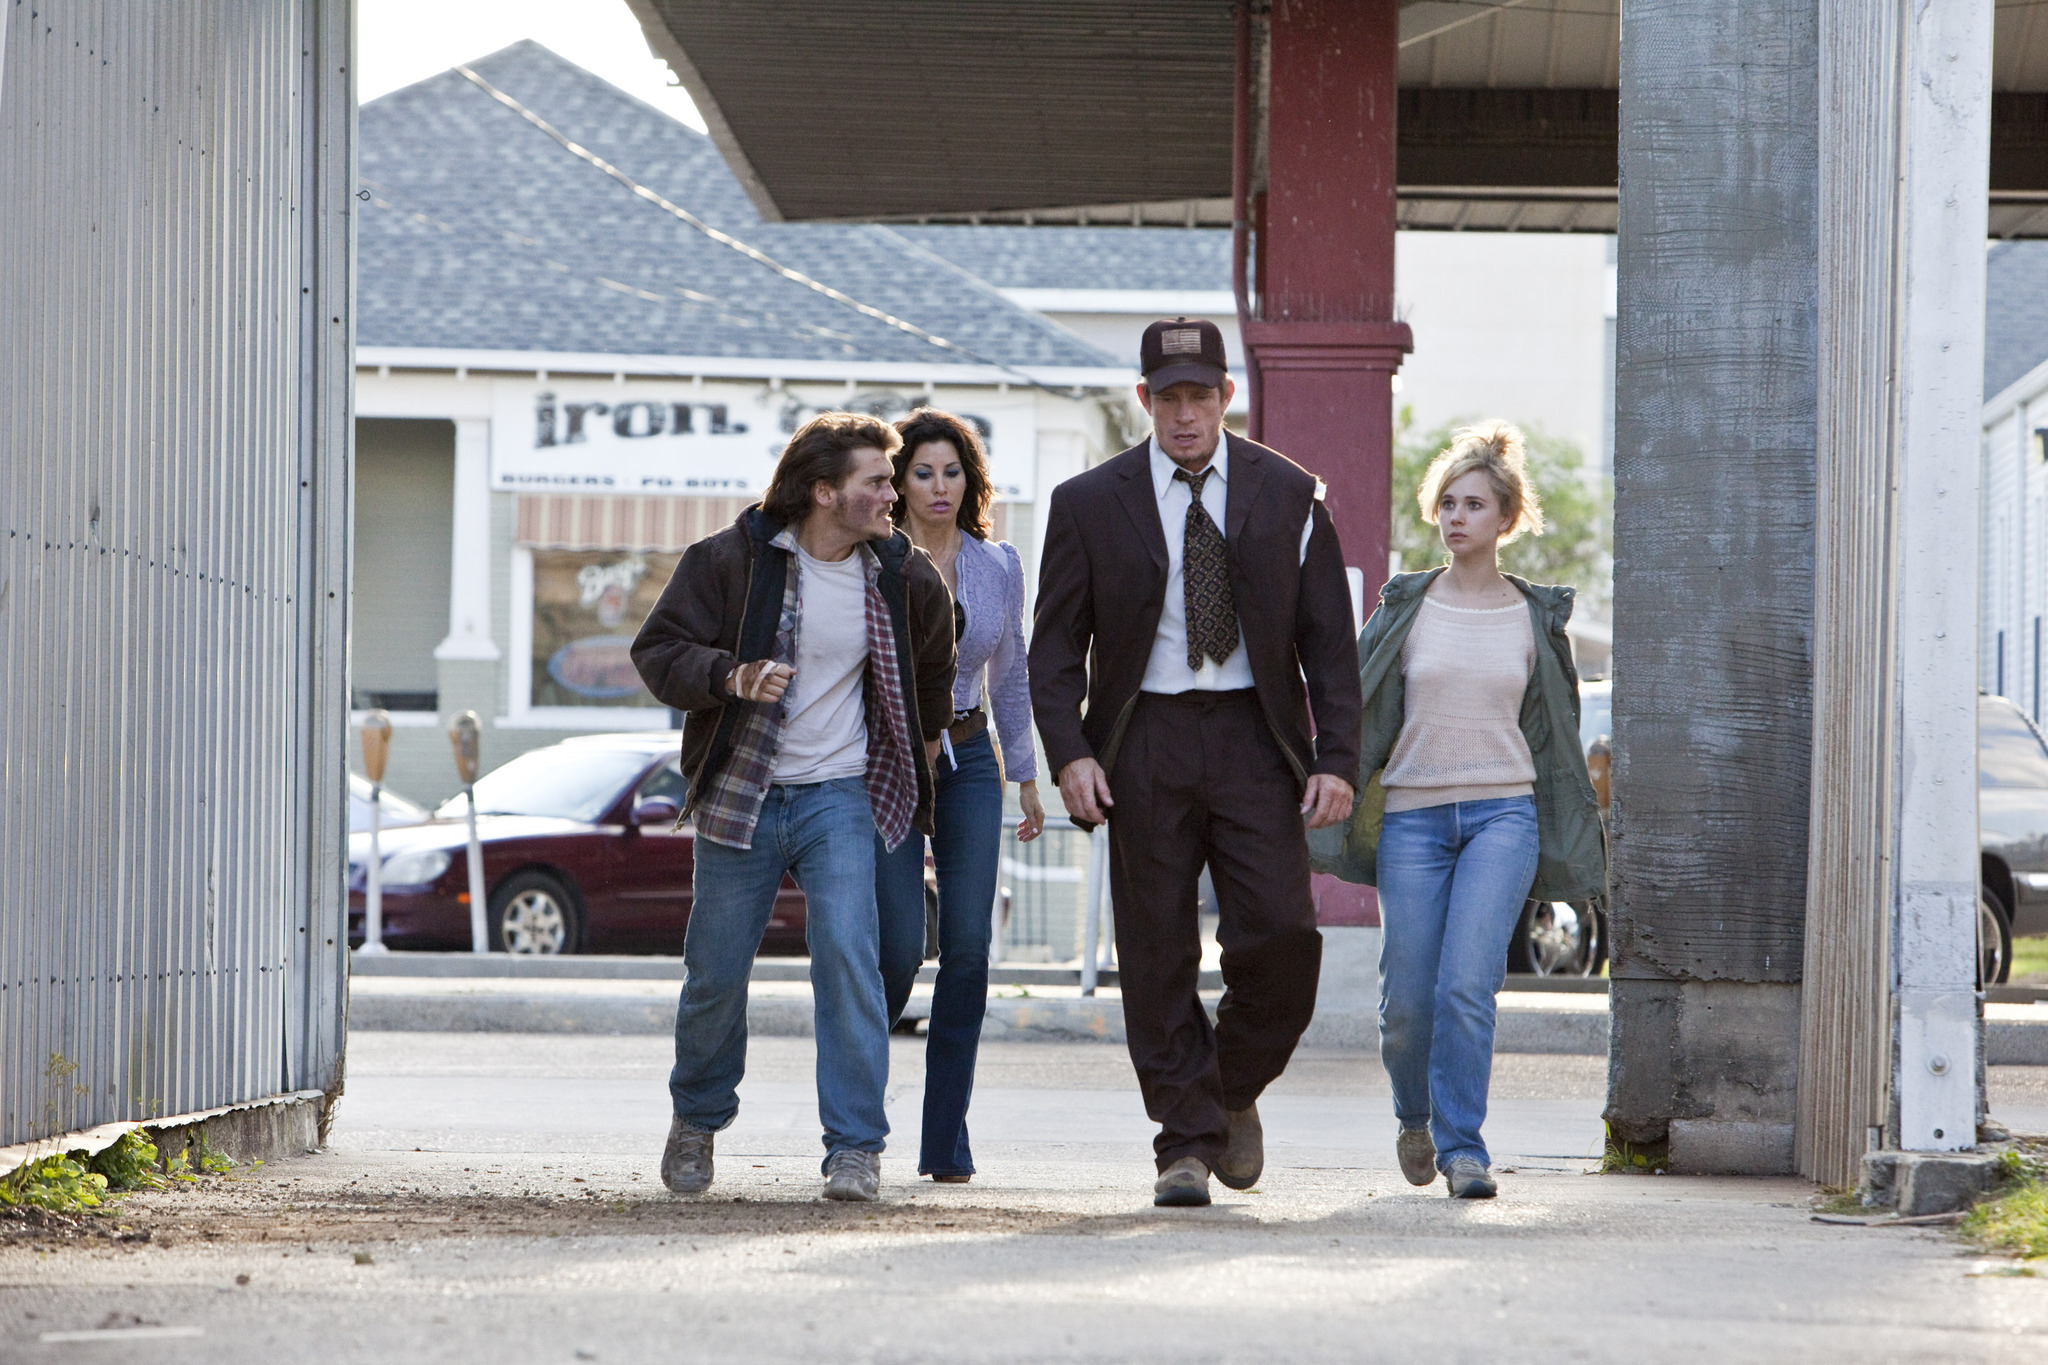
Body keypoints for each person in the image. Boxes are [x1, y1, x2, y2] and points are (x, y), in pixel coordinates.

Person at [1030, 318, 1362, 1207]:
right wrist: (1069, 752)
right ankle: (1183, 1143)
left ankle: (1226, 1087)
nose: (1185, 414)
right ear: (1144, 398)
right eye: (1168, 397)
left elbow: (1330, 643)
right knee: (1154, 948)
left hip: (1258, 738)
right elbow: (1054, 650)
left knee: (1284, 935)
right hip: (1145, 739)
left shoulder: (1289, 493)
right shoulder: (1089, 502)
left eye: (1201, 396)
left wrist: (1337, 758)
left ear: (1226, 397)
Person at [630, 411, 955, 1203]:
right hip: (744, 786)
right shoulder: (729, 560)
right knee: (716, 970)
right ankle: (697, 1118)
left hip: (841, 792)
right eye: (877, 480)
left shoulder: (903, 575)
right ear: (823, 491)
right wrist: (729, 676)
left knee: (848, 957)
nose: (893, 492)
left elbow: (934, 669)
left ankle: (854, 1147)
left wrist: (916, 749)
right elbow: (657, 651)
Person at [1310, 421, 1605, 1199]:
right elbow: (1358, 702)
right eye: (1446, 502)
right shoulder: (1407, 604)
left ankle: (1464, 1146)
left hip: (1503, 817)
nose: (1455, 516)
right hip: (1413, 817)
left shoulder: (1534, 619)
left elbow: (1556, 736)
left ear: (1506, 518)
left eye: (1473, 503)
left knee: (1467, 987)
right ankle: (1415, 1113)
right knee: (1407, 999)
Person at [875, 408, 1047, 1183]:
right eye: (922, 472)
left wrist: (1026, 774)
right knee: (899, 946)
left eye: (952, 472)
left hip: (971, 758)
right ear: (898, 482)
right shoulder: (872, 560)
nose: (939, 486)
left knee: (970, 949)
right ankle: (855, 1113)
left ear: (968, 479)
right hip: (890, 758)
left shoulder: (997, 564)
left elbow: (1010, 673)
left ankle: (945, 1137)